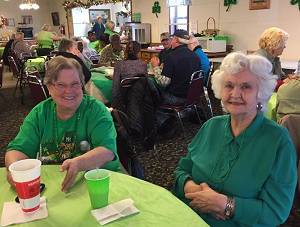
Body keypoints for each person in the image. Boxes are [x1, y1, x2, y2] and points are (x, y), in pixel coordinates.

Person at [174, 52, 297, 227]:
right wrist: (191, 188)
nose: (235, 94)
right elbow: (181, 171)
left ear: (260, 93)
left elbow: (277, 212)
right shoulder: (211, 126)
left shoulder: (278, 140)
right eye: (229, 85)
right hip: (189, 217)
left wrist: (225, 205)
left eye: (246, 87)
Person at [5, 56, 121, 192]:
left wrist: (78, 164)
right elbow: (18, 150)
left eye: (75, 84)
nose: (69, 90)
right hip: (53, 186)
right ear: (49, 87)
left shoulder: (96, 110)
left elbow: (107, 152)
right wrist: (15, 169)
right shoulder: (40, 113)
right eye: (61, 85)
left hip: (98, 184)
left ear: (82, 84)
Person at [150, 29, 201, 135]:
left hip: (176, 98)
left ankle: (165, 121)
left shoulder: (171, 57)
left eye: (172, 38)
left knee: (150, 97)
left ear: (176, 40)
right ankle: (178, 115)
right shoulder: (195, 56)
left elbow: (163, 82)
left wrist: (155, 67)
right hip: (191, 96)